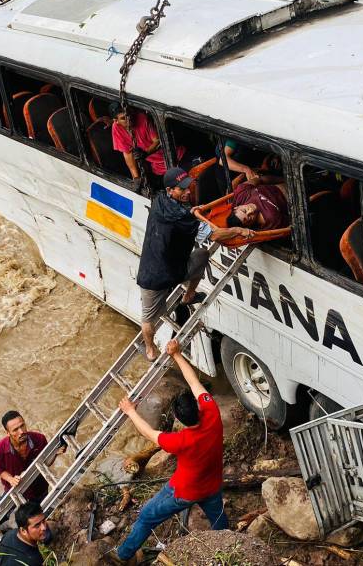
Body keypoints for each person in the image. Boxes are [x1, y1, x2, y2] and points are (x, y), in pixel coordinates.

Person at [115, 339, 227, 565]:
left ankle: (123, 555)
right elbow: (194, 383)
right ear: (197, 407)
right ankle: (228, 543)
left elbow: (148, 433)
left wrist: (130, 411)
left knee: (147, 517)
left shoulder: (180, 440)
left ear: (178, 419)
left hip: (187, 491)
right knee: (218, 519)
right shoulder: (212, 413)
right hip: (212, 484)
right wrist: (176, 355)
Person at [137, 167, 254, 361]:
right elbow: (214, 235)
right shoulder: (182, 217)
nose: (188, 191)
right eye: (182, 189)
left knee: (202, 254)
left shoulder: (159, 200)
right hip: (154, 275)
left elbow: (179, 215)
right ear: (170, 191)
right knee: (149, 317)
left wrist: (190, 211)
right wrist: (238, 230)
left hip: (175, 266)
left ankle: (188, 295)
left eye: (187, 187)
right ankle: (150, 349)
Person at [0, 411, 64, 536]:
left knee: (38, 524)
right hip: (14, 490)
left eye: (22, 426)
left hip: (39, 488)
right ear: (8, 432)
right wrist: (10, 479)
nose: (21, 431)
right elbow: (0, 470)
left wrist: (55, 454)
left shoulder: (39, 439)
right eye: (15, 430)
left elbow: (46, 463)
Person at [109, 103, 185, 182]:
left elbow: (158, 141)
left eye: (128, 115)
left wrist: (145, 153)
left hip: (177, 157)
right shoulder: (116, 128)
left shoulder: (142, 118)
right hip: (158, 167)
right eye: (123, 118)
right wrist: (136, 178)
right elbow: (127, 153)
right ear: (116, 121)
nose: (128, 119)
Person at [0, 502, 49, 566]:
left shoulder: (9, 535)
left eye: (43, 521)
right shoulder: (33, 560)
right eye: (37, 525)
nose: (43, 527)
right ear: (23, 530)